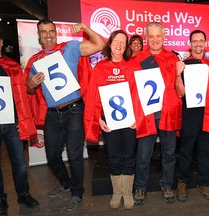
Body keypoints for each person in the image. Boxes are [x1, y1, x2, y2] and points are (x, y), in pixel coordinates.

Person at [25, 18, 105, 211]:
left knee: (75, 155)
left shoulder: (70, 48)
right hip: (53, 114)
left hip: (74, 110)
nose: (48, 35)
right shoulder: (34, 60)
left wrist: (85, 27)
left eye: (51, 31)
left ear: (56, 32)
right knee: (52, 155)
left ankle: (77, 192)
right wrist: (32, 84)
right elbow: (28, 89)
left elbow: (100, 44)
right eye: (43, 32)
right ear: (39, 35)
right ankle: (66, 182)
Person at [84, 30, 145, 209]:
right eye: (116, 41)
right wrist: (98, 119)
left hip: (130, 121)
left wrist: (138, 117)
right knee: (113, 156)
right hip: (108, 121)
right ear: (110, 44)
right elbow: (93, 95)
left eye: (123, 42)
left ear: (126, 47)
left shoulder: (134, 66)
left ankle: (127, 192)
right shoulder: (100, 67)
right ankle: (117, 192)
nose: (119, 44)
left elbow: (141, 94)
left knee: (129, 156)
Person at [0, 23, 39, 216]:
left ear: (1, 42)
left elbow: (23, 95)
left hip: (12, 123)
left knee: (19, 162)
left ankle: (23, 194)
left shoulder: (13, 66)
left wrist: (22, 119)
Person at [132, 22, 182, 205]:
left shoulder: (173, 59)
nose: (154, 40)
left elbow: (179, 89)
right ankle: (140, 187)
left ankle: (167, 184)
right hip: (147, 115)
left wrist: (178, 75)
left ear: (164, 37)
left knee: (169, 153)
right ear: (146, 38)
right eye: (151, 36)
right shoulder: (137, 59)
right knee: (143, 154)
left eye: (158, 36)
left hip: (168, 113)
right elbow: (132, 89)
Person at [175, 30, 209, 202]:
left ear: (206, 43)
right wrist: (178, 74)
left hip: (207, 114)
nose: (198, 44)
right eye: (195, 41)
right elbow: (180, 93)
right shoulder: (183, 65)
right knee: (186, 150)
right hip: (190, 114)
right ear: (190, 43)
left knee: (206, 151)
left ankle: (203, 182)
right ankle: (182, 182)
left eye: (201, 40)